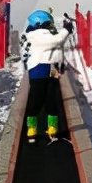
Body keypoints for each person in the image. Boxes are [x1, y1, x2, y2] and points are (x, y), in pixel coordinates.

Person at [21, 9, 72, 141]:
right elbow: (55, 41)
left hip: (51, 69)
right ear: (40, 23)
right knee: (37, 100)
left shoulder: (43, 33)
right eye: (48, 23)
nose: (51, 26)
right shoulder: (36, 35)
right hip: (39, 70)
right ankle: (32, 129)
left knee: (52, 100)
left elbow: (56, 46)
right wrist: (66, 30)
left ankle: (52, 130)